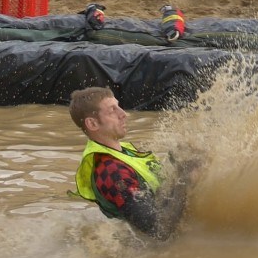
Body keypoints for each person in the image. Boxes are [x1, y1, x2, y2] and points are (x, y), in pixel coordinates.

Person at [69, 87, 196, 239]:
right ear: (93, 124)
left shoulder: (124, 152)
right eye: (112, 110)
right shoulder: (112, 171)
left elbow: (158, 193)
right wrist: (185, 179)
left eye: (119, 106)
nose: (124, 114)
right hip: (150, 253)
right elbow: (159, 228)